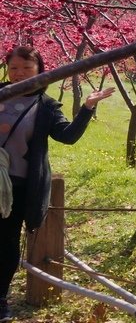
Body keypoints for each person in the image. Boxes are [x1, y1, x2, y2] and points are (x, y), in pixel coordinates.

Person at [0, 46, 113, 321]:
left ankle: (0, 298)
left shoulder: (45, 106)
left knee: (5, 242)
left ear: (40, 71)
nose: (19, 75)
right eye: (14, 68)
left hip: (16, 186)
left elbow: (67, 136)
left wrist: (87, 107)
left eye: (27, 69)